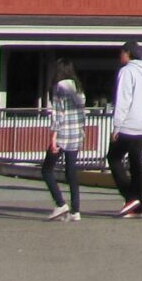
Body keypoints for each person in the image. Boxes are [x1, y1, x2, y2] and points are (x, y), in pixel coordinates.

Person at [108, 42, 142, 218]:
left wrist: (116, 126)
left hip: (128, 123)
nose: (120, 56)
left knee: (114, 158)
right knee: (136, 164)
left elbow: (123, 99)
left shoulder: (127, 71)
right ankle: (139, 204)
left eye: (122, 52)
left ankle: (130, 196)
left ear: (128, 53)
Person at [42, 63, 86, 221]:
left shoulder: (58, 87)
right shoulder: (78, 88)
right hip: (76, 134)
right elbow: (82, 112)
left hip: (62, 135)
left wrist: (53, 138)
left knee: (46, 170)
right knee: (71, 172)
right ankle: (76, 210)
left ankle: (60, 204)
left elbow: (57, 114)